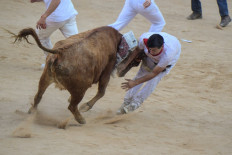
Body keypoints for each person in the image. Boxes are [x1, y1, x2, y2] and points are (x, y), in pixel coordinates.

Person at [117, 32, 181, 114]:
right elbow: (137, 50)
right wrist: (125, 64)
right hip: (151, 59)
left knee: (152, 81)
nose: (151, 51)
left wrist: (135, 83)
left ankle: (135, 104)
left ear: (162, 47)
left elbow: (154, 73)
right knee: (141, 74)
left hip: (167, 63)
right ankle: (126, 102)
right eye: (149, 49)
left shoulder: (168, 54)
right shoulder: (144, 40)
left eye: (154, 50)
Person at [30, 0, 78, 67]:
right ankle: (82, 64)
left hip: (56, 17)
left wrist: (44, 16)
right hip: (69, 13)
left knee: (40, 37)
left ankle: (52, 63)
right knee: (76, 42)